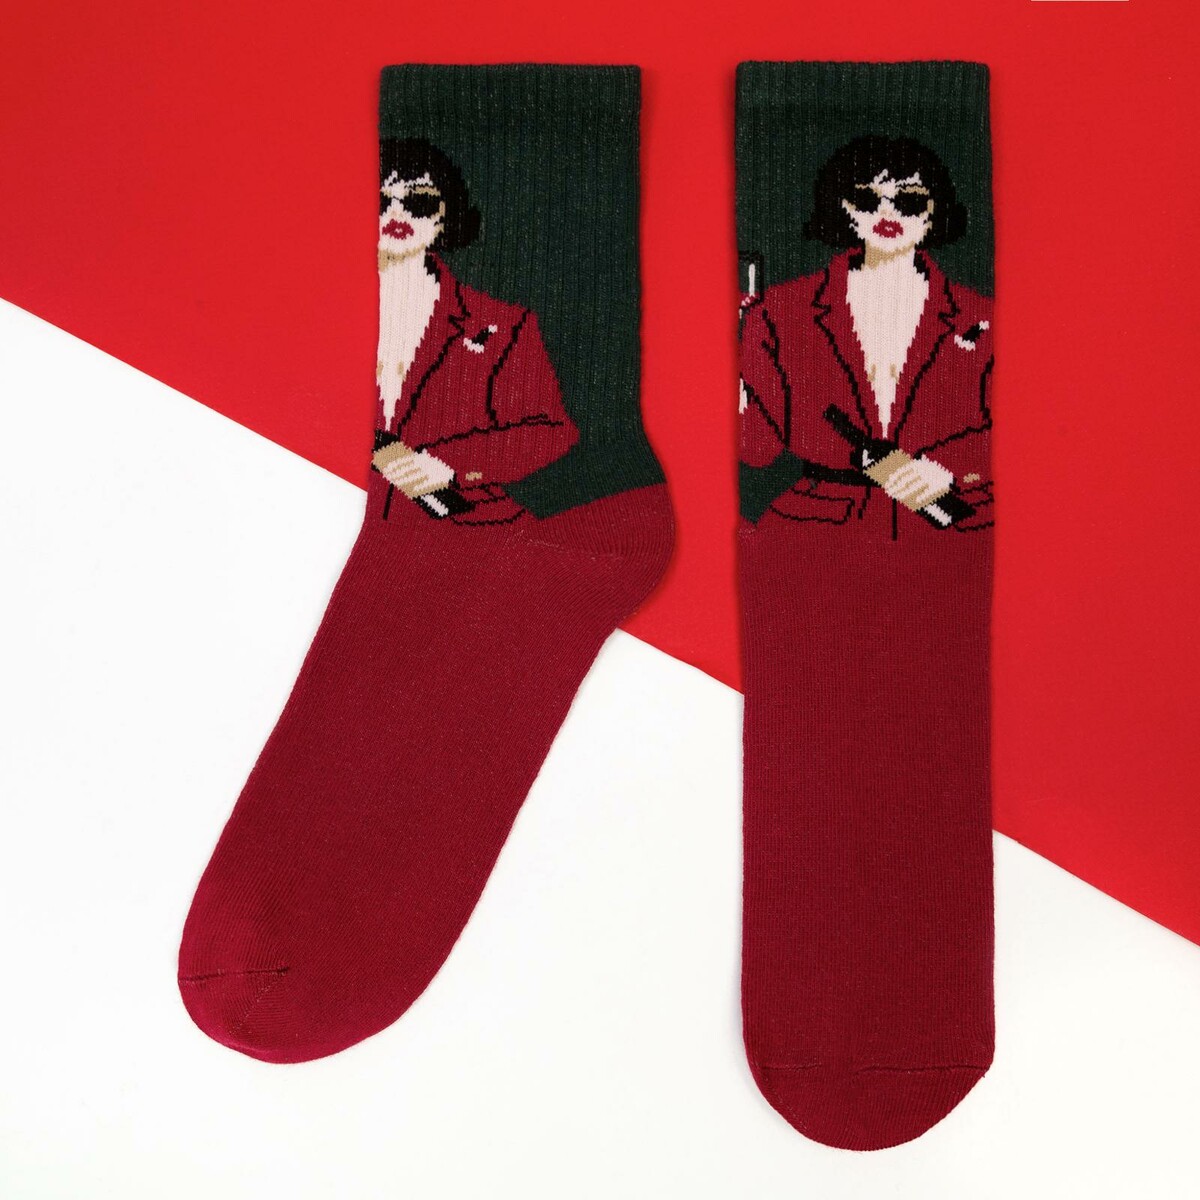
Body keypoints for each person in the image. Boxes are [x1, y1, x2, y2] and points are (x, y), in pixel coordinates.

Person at [740, 135, 993, 537]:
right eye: (866, 199)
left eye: (908, 201)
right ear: (843, 207)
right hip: (817, 524)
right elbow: (756, 447)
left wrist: (947, 468)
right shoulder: (780, 311)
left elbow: (1014, 423)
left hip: (953, 523)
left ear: (935, 210)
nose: (887, 212)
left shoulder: (979, 317)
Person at [373, 137, 578, 525]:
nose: (398, 213)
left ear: (445, 212)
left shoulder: (500, 326)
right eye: (382, 201)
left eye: (419, 202)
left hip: (465, 521)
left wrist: (448, 464)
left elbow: (548, 431)